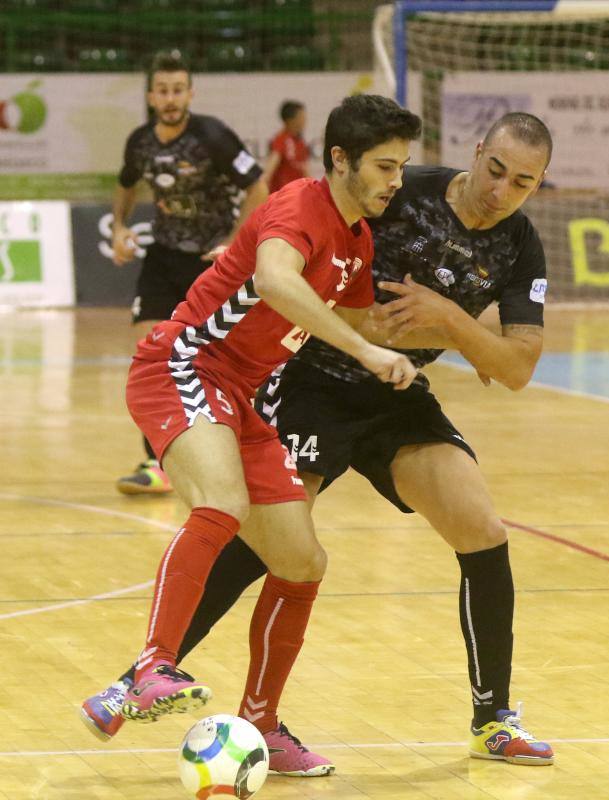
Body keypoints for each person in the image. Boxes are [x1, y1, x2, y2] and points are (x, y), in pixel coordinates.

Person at [82, 112, 554, 767]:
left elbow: (514, 367)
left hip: (392, 392)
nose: (501, 190)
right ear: (475, 153)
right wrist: (393, 336)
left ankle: (490, 721)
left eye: (523, 183)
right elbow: (310, 281)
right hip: (307, 381)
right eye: (495, 170)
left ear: (537, 186)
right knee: (254, 534)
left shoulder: (508, 243)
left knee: (473, 529)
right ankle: (142, 673)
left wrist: (447, 324)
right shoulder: (390, 191)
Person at [81, 94, 422, 775]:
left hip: (242, 397)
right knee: (220, 504)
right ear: (339, 160)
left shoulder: (357, 241)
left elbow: (372, 325)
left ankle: (261, 722)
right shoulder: (299, 208)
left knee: (301, 561)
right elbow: (275, 280)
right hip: (183, 363)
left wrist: (464, 329)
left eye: (401, 167)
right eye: (384, 166)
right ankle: (150, 667)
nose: (395, 181)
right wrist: (364, 352)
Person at [112, 50, 269, 496]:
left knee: (223, 363)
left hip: (211, 263)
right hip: (163, 257)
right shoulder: (140, 141)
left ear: (190, 92)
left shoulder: (214, 136)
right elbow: (125, 183)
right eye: (162, 90)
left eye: (178, 89)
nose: (170, 98)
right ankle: (156, 460)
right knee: (152, 355)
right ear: (150, 95)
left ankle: (243, 452)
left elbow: (258, 187)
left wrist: (235, 244)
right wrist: (121, 226)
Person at [262, 100, 310, 193]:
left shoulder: (300, 143)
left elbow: (306, 172)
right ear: (290, 120)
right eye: (301, 117)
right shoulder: (281, 140)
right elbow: (269, 171)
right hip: (283, 197)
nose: (305, 120)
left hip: (298, 196)